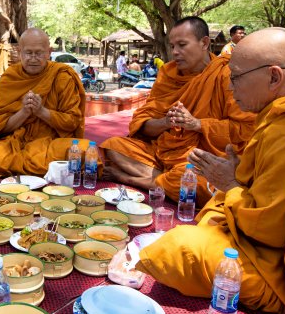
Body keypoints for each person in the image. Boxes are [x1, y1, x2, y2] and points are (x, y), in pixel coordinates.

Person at [136, 28, 285, 314]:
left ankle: (277, 299)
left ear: (273, 77)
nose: (230, 85)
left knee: (179, 248)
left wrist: (230, 184)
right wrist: (239, 173)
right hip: (268, 233)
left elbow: (270, 230)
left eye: (237, 77)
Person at [101, 17, 255, 206]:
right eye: (173, 46)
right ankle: (164, 181)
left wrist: (197, 124)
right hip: (162, 153)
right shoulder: (168, 74)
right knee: (113, 146)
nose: (175, 52)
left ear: (204, 43)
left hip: (200, 158)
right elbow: (143, 122)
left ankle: (135, 180)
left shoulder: (226, 75)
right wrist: (166, 122)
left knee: (192, 179)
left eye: (182, 45)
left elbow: (244, 132)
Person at [0, 28, 95, 176]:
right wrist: (24, 112)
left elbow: (72, 122)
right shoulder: (10, 78)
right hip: (18, 143)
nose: (33, 58)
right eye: (28, 53)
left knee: (85, 149)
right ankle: (49, 171)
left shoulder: (62, 76)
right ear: (19, 52)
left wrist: (41, 112)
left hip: (52, 143)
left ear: (49, 52)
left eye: (38, 53)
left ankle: (22, 169)